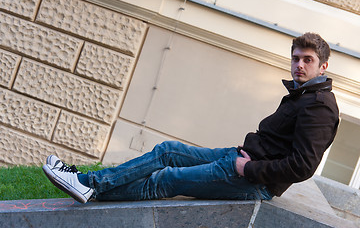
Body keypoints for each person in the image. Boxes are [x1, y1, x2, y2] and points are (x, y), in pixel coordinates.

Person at [42, 32, 339, 204]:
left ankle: (91, 189)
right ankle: (88, 182)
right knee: (167, 151)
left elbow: (303, 166)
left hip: (253, 181)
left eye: (307, 60)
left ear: (322, 66)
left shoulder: (320, 106)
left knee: (167, 179)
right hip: (239, 158)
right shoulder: (304, 95)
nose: (299, 65)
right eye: (296, 58)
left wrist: (248, 170)